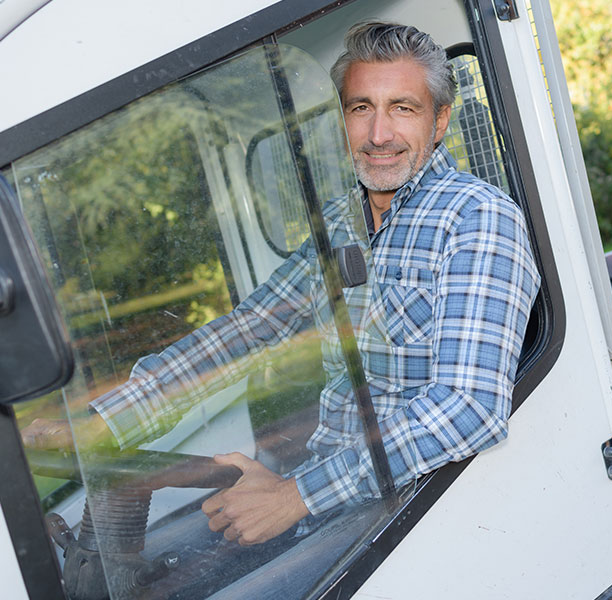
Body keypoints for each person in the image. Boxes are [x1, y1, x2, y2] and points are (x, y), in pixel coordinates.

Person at [23, 22, 539, 548]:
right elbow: (248, 329)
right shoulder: (341, 223)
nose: (379, 134)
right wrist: (106, 422)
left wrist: (295, 496)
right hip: (333, 499)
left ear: (440, 121)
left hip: (418, 510)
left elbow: (468, 408)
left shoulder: (477, 219)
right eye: (361, 108)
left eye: (402, 108)